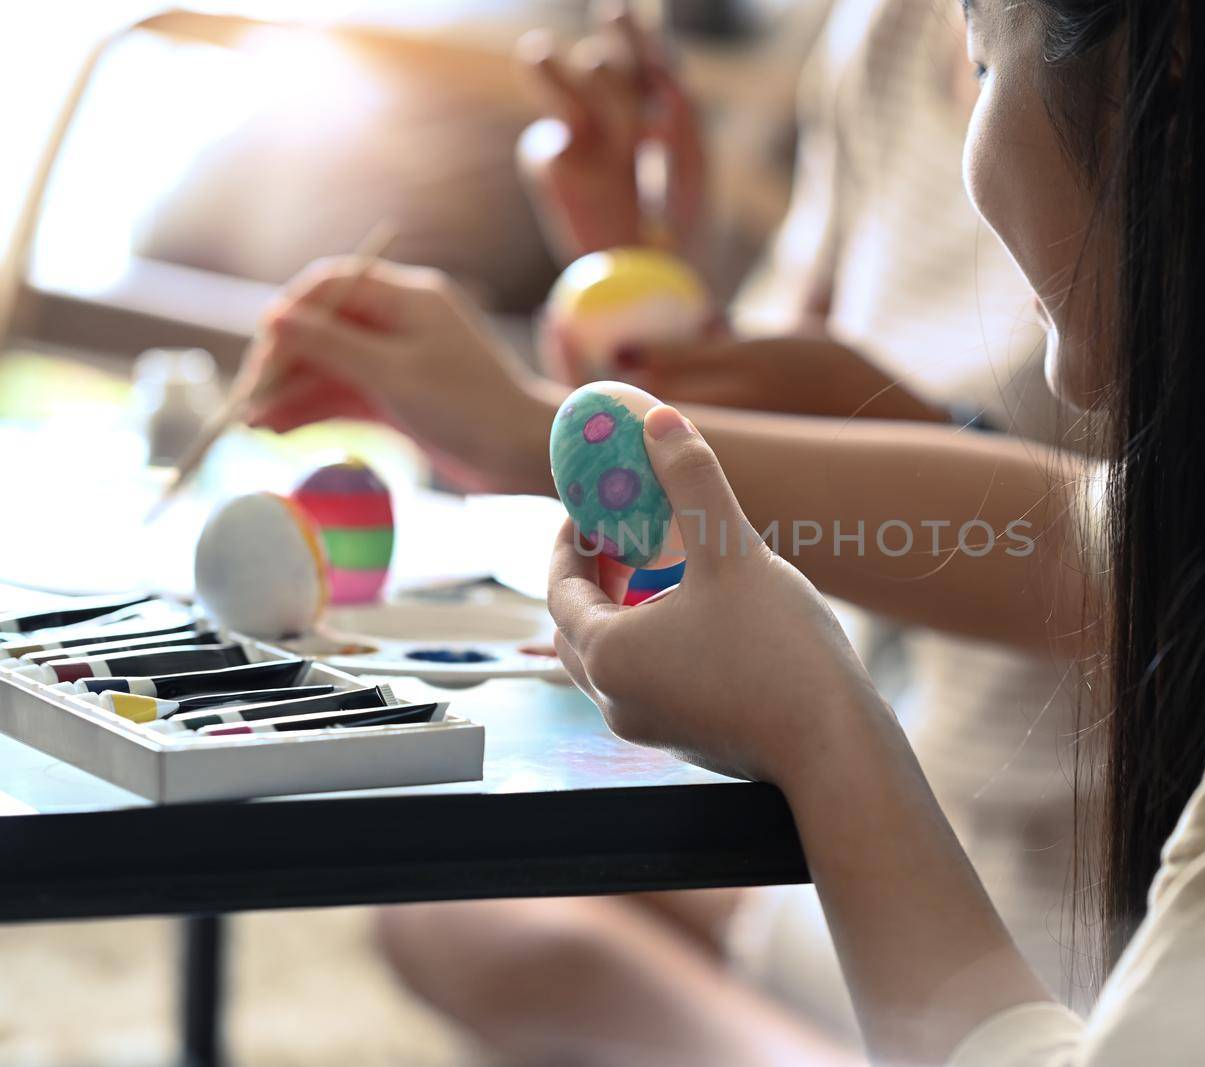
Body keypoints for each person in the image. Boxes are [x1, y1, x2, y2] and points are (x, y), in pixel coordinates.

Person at [251, 0, 1205, 1062]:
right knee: (453, 908)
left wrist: (820, 728)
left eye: (984, 35)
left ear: (1168, 61)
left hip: (1037, 896)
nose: (970, 121)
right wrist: (537, 420)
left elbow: (1067, 542)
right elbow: (1076, 533)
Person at [249, 1, 1101, 1060]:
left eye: (986, 57)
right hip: (902, 820)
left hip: (1080, 908)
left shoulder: (1153, 70)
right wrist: (638, 279)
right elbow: (792, 393)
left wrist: (532, 431)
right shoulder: (882, 36)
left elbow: (1125, 552)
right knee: (445, 899)